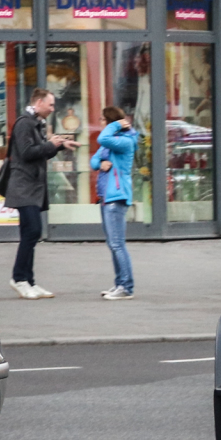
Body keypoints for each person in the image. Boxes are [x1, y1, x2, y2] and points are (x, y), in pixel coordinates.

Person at [5, 88, 77, 299]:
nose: (53, 109)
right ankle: (19, 278)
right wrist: (50, 144)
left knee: (31, 233)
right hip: (23, 186)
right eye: (51, 105)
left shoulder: (36, 123)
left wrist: (60, 146)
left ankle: (29, 281)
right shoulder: (25, 123)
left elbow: (40, 152)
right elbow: (27, 153)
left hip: (32, 187)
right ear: (38, 102)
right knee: (33, 231)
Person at [90, 106, 137, 300]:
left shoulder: (125, 141)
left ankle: (126, 287)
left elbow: (102, 139)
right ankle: (120, 283)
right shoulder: (112, 143)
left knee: (117, 244)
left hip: (116, 197)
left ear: (110, 122)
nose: (100, 123)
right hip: (106, 197)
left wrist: (116, 124)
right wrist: (100, 164)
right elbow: (93, 160)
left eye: (102, 120)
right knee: (113, 243)